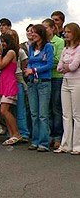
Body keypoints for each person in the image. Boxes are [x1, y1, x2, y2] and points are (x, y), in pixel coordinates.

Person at [24, 24, 54, 152]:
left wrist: (35, 70)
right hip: (32, 83)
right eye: (31, 32)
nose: (33, 34)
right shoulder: (31, 47)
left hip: (43, 82)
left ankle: (43, 142)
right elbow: (30, 61)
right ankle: (35, 141)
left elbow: (50, 64)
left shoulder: (48, 47)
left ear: (41, 34)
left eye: (35, 32)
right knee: (34, 113)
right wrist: (28, 70)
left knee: (43, 114)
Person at [55, 23, 80, 154]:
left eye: (69, 32)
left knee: (77, 115)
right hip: (65, 82)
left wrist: (66, 66)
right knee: (66, 114)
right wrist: (65, 66)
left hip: (77, 82)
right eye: (65, 32)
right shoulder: (65, 49)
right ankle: (66, 144)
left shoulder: (79, 48)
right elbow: (59, 66)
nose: (66, 34)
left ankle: (77, 145)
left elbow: (74, 66)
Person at [42, 18, 65, 148]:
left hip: (56, 77)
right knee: (48, 107)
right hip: (46, 77)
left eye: (46, 28)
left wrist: (45, 62)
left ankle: (58, 135)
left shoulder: (59, 42)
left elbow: (57, 59)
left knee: (56, 107)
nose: (44, 30)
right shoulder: (42, 42)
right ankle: (49, 134)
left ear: (52, 28)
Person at [0, 34, 21, 145]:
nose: (2, 44)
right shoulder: (7, 53)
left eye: (4, 41)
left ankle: (16, 134)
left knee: (4, 110)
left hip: (9, 82)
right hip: (4, 82)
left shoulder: (11, 52)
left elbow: (1, 65)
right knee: (5, 111)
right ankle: (11, 135)